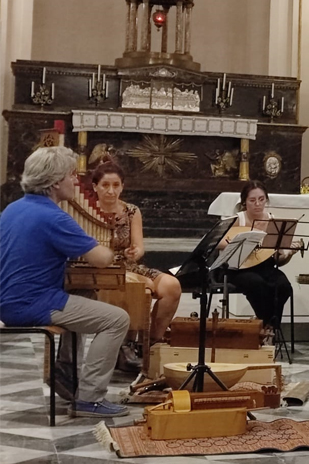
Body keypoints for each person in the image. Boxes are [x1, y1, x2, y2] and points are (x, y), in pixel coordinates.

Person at [0, 147, 130, 418]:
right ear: (56, 181)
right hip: (33, 303)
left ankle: (66, 373)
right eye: (72, 175)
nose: (76, 182)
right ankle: (90, 399)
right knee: (117, 319)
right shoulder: (54, 216)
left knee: (86, 294)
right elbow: (103, 258)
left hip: (9, 299)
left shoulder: (13, 208)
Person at [90, 161, 181, 345]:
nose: (111, 191)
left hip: (130, 266)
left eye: (116, 185)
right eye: (105, 185)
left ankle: (150, 343)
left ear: (122, 186)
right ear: (95, 187)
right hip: (104, 268)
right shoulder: (87, 211)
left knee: (172, 286)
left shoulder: (131, 211)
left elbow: (139, 247)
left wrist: (135, 252)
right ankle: (126, 344)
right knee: (143, 285)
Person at [216, 181, 302, 337]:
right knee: (257, 285)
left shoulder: (272, 220)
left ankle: (267, 326)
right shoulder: (238, 219)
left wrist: (288, 253)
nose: (257, 204)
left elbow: (278, 261)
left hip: (265, 267)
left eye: (261, 199)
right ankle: (267, 327)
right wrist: (237, 242)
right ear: (244, 202)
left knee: (283, 286)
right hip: (239, 268)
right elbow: (217, 242)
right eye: (252, 200)